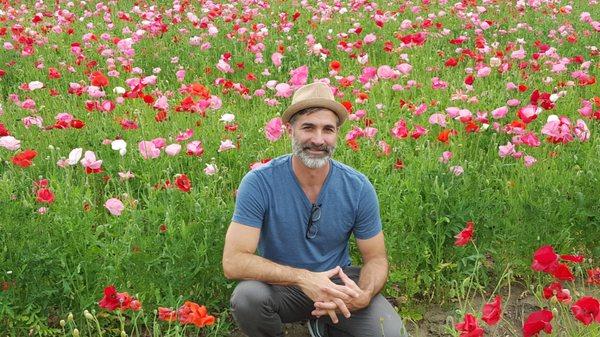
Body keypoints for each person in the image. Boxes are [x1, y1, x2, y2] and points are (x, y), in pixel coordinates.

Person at [222, 82, 408, 337]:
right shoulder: (259, 183)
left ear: (337, 135)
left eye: (327, 129)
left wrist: (362, 294)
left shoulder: (357, 186)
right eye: (308, 127)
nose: (318, 139)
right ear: (290, 130)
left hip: (337, 285)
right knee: (247, 297)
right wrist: (304, 278)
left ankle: (326, 324)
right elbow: (233, 261)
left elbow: (376, 258)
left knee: (391, 333)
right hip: (282, 287)